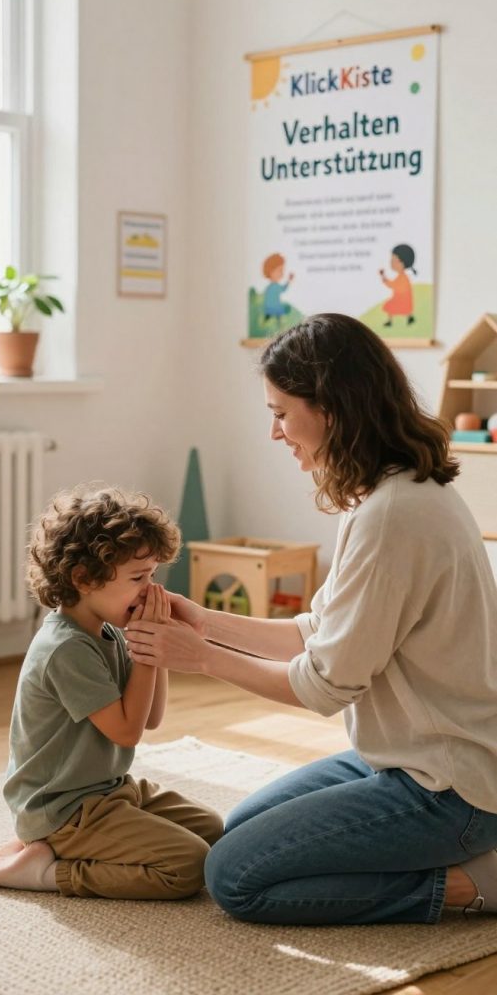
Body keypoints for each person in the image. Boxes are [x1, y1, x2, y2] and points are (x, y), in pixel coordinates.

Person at [125, 313, 497, 926]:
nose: (274, 432)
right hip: (402, 757)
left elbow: (325, 685)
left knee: (233, 878)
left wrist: (200, 659)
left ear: (328, 408)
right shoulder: (385, 495)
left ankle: (469, 883)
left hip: (449, 789)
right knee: (240, 829)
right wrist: (203, 621)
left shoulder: (393, 516)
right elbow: (316, 633)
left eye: (280, 411)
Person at [0, 485, 223, 899]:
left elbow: (151, 718)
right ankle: (47, 870)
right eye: (138, 578)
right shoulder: (65, 648)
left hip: (107, 790)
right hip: (63, 808)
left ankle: (42, 847)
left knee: (213, 830)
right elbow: (126, 732)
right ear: (84, 578)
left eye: (153, 577)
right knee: (188, 864)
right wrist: (145, 654)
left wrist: (154, 644)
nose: (151, 590)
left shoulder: (107, 632)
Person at [379, 243, 416, 327]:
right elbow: (393, 285)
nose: (391, 262)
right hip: (398, 299)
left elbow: (395, 286)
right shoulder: (400, 277)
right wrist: (384, 277)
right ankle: (394, 320)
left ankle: (409, 317)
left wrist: (384, 277)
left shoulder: (403, 278)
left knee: (393, 307)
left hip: (402, 300)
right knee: (391, 308)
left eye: (393, 260)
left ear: (401, 262)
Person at [262, 252, 294, 323]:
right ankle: (275, 321)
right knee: (280, 311)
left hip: (271, 308)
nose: (282, 273)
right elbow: (283, 289)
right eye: (280, 270)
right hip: (274, 307)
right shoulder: (273, 287)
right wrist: (289, 281)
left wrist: (289, 281)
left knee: (276, 313)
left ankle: (275, 320)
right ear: (270, 271)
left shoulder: (270, 287)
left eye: (282, 270)